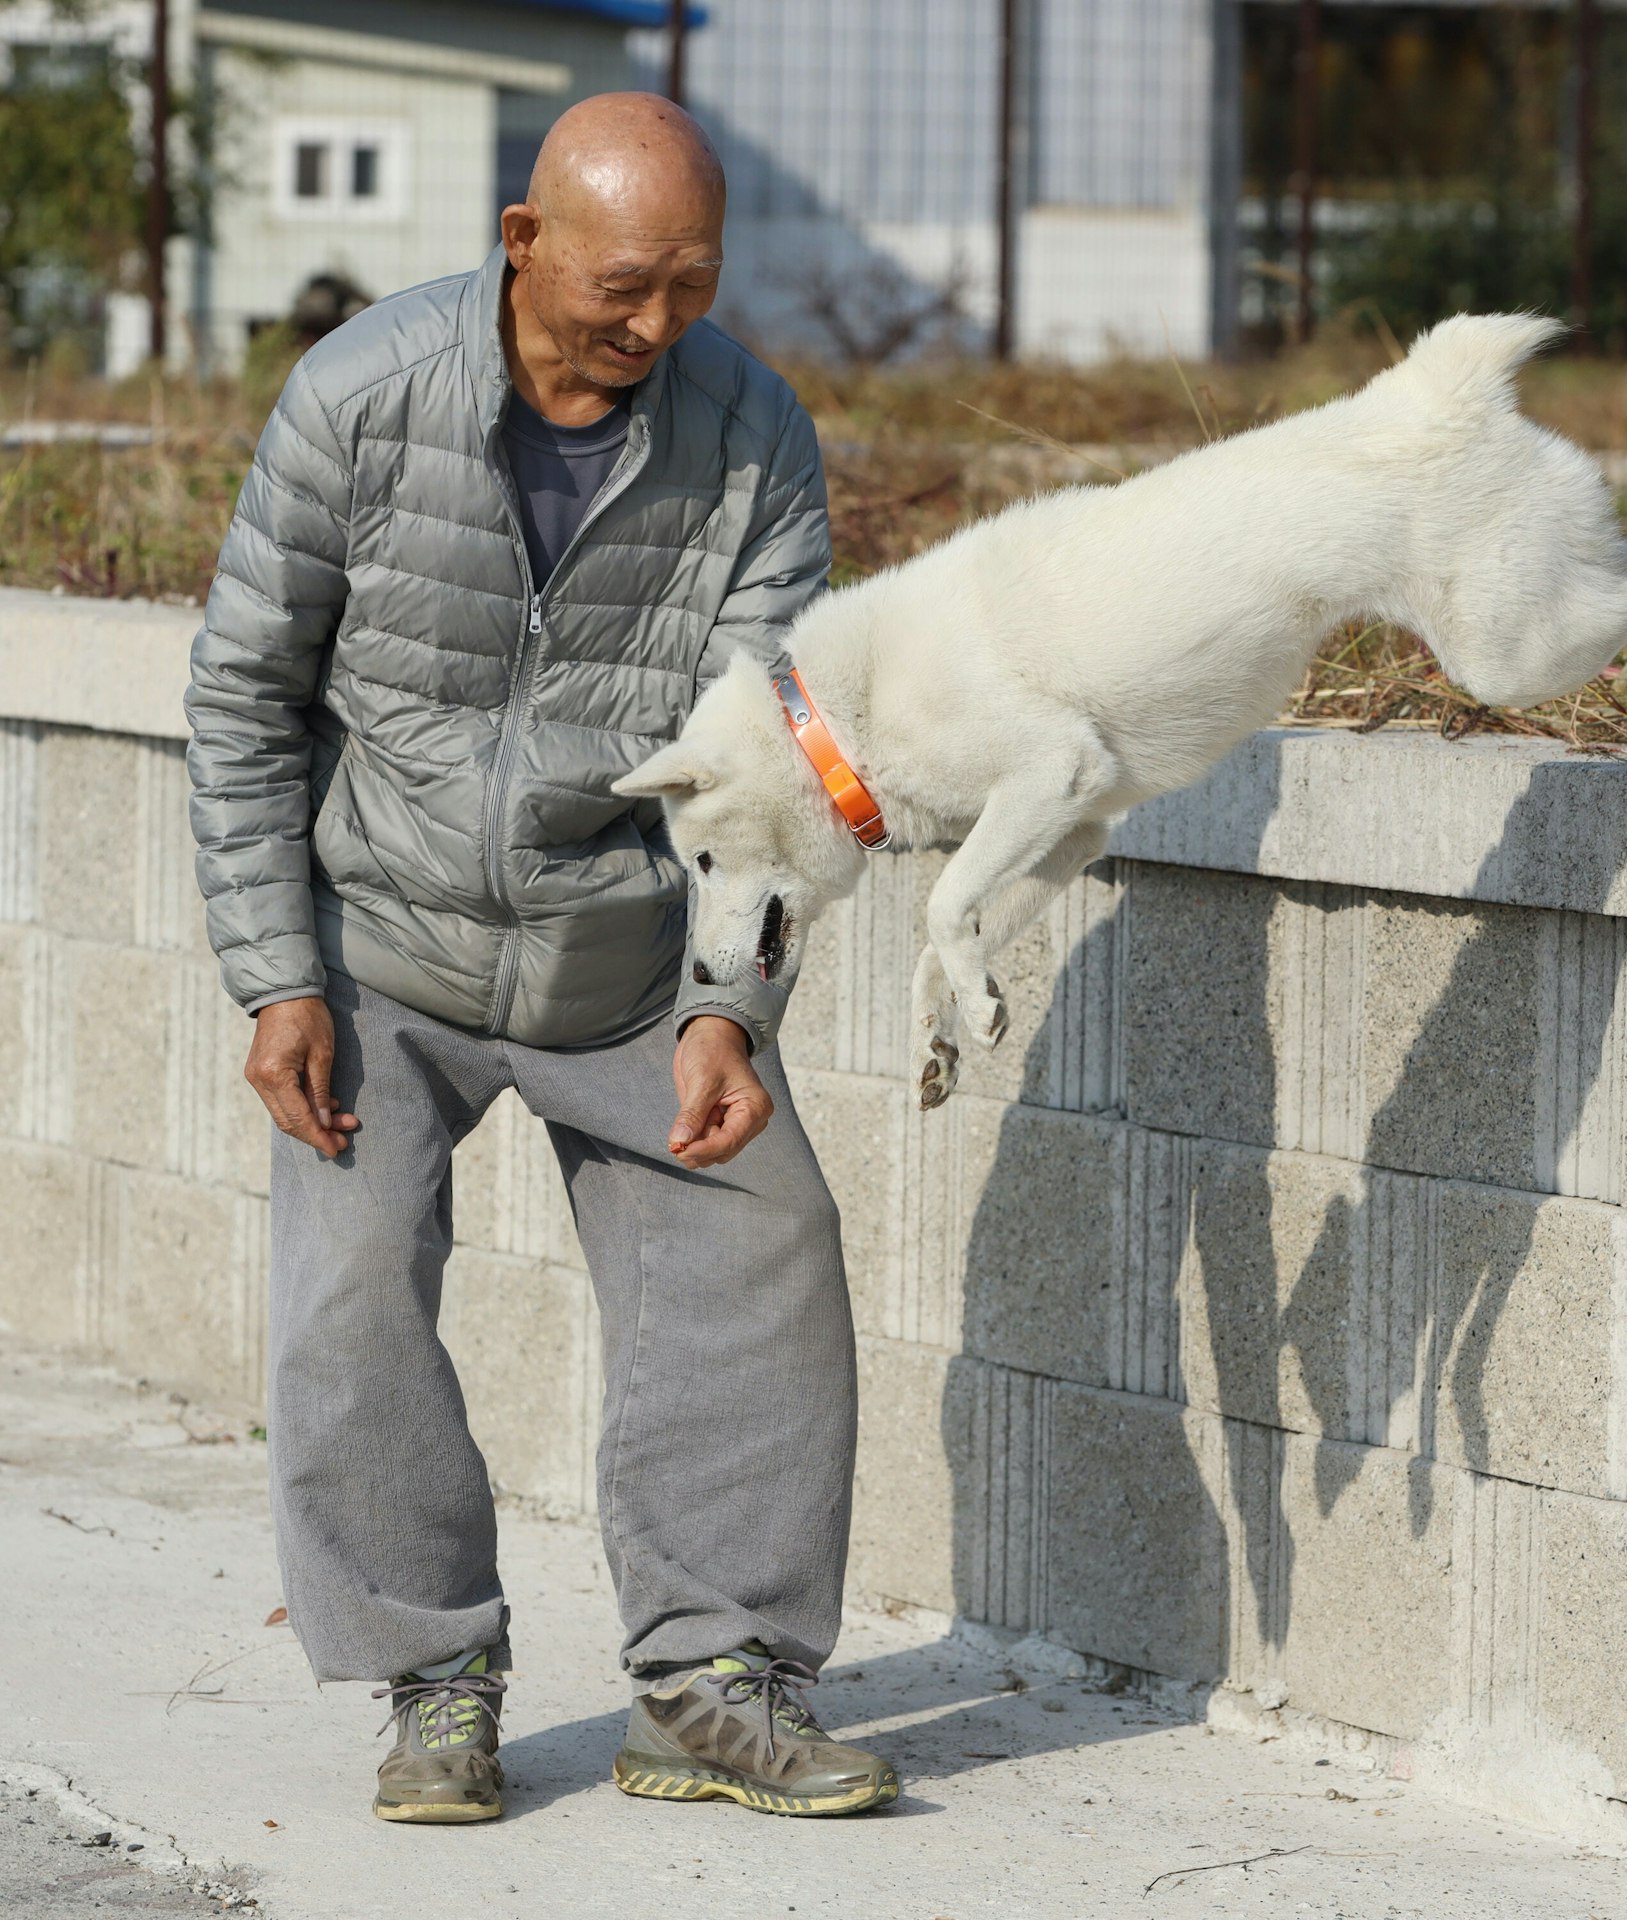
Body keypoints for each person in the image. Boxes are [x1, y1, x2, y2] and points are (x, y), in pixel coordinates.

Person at [184, 93, 894, 1825]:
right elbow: (243, 694)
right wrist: (278, 972)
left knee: (766, 1245)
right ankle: (435, 1680)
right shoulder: (360, 396)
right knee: (345, 1306)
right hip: (385, 949)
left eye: (693, 286)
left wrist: (731, 1008)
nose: (654, 324)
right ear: (524, 245)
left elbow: (767, 755)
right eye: (623, 285)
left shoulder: (754, 439)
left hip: (626, 950)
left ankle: (715, 1680)